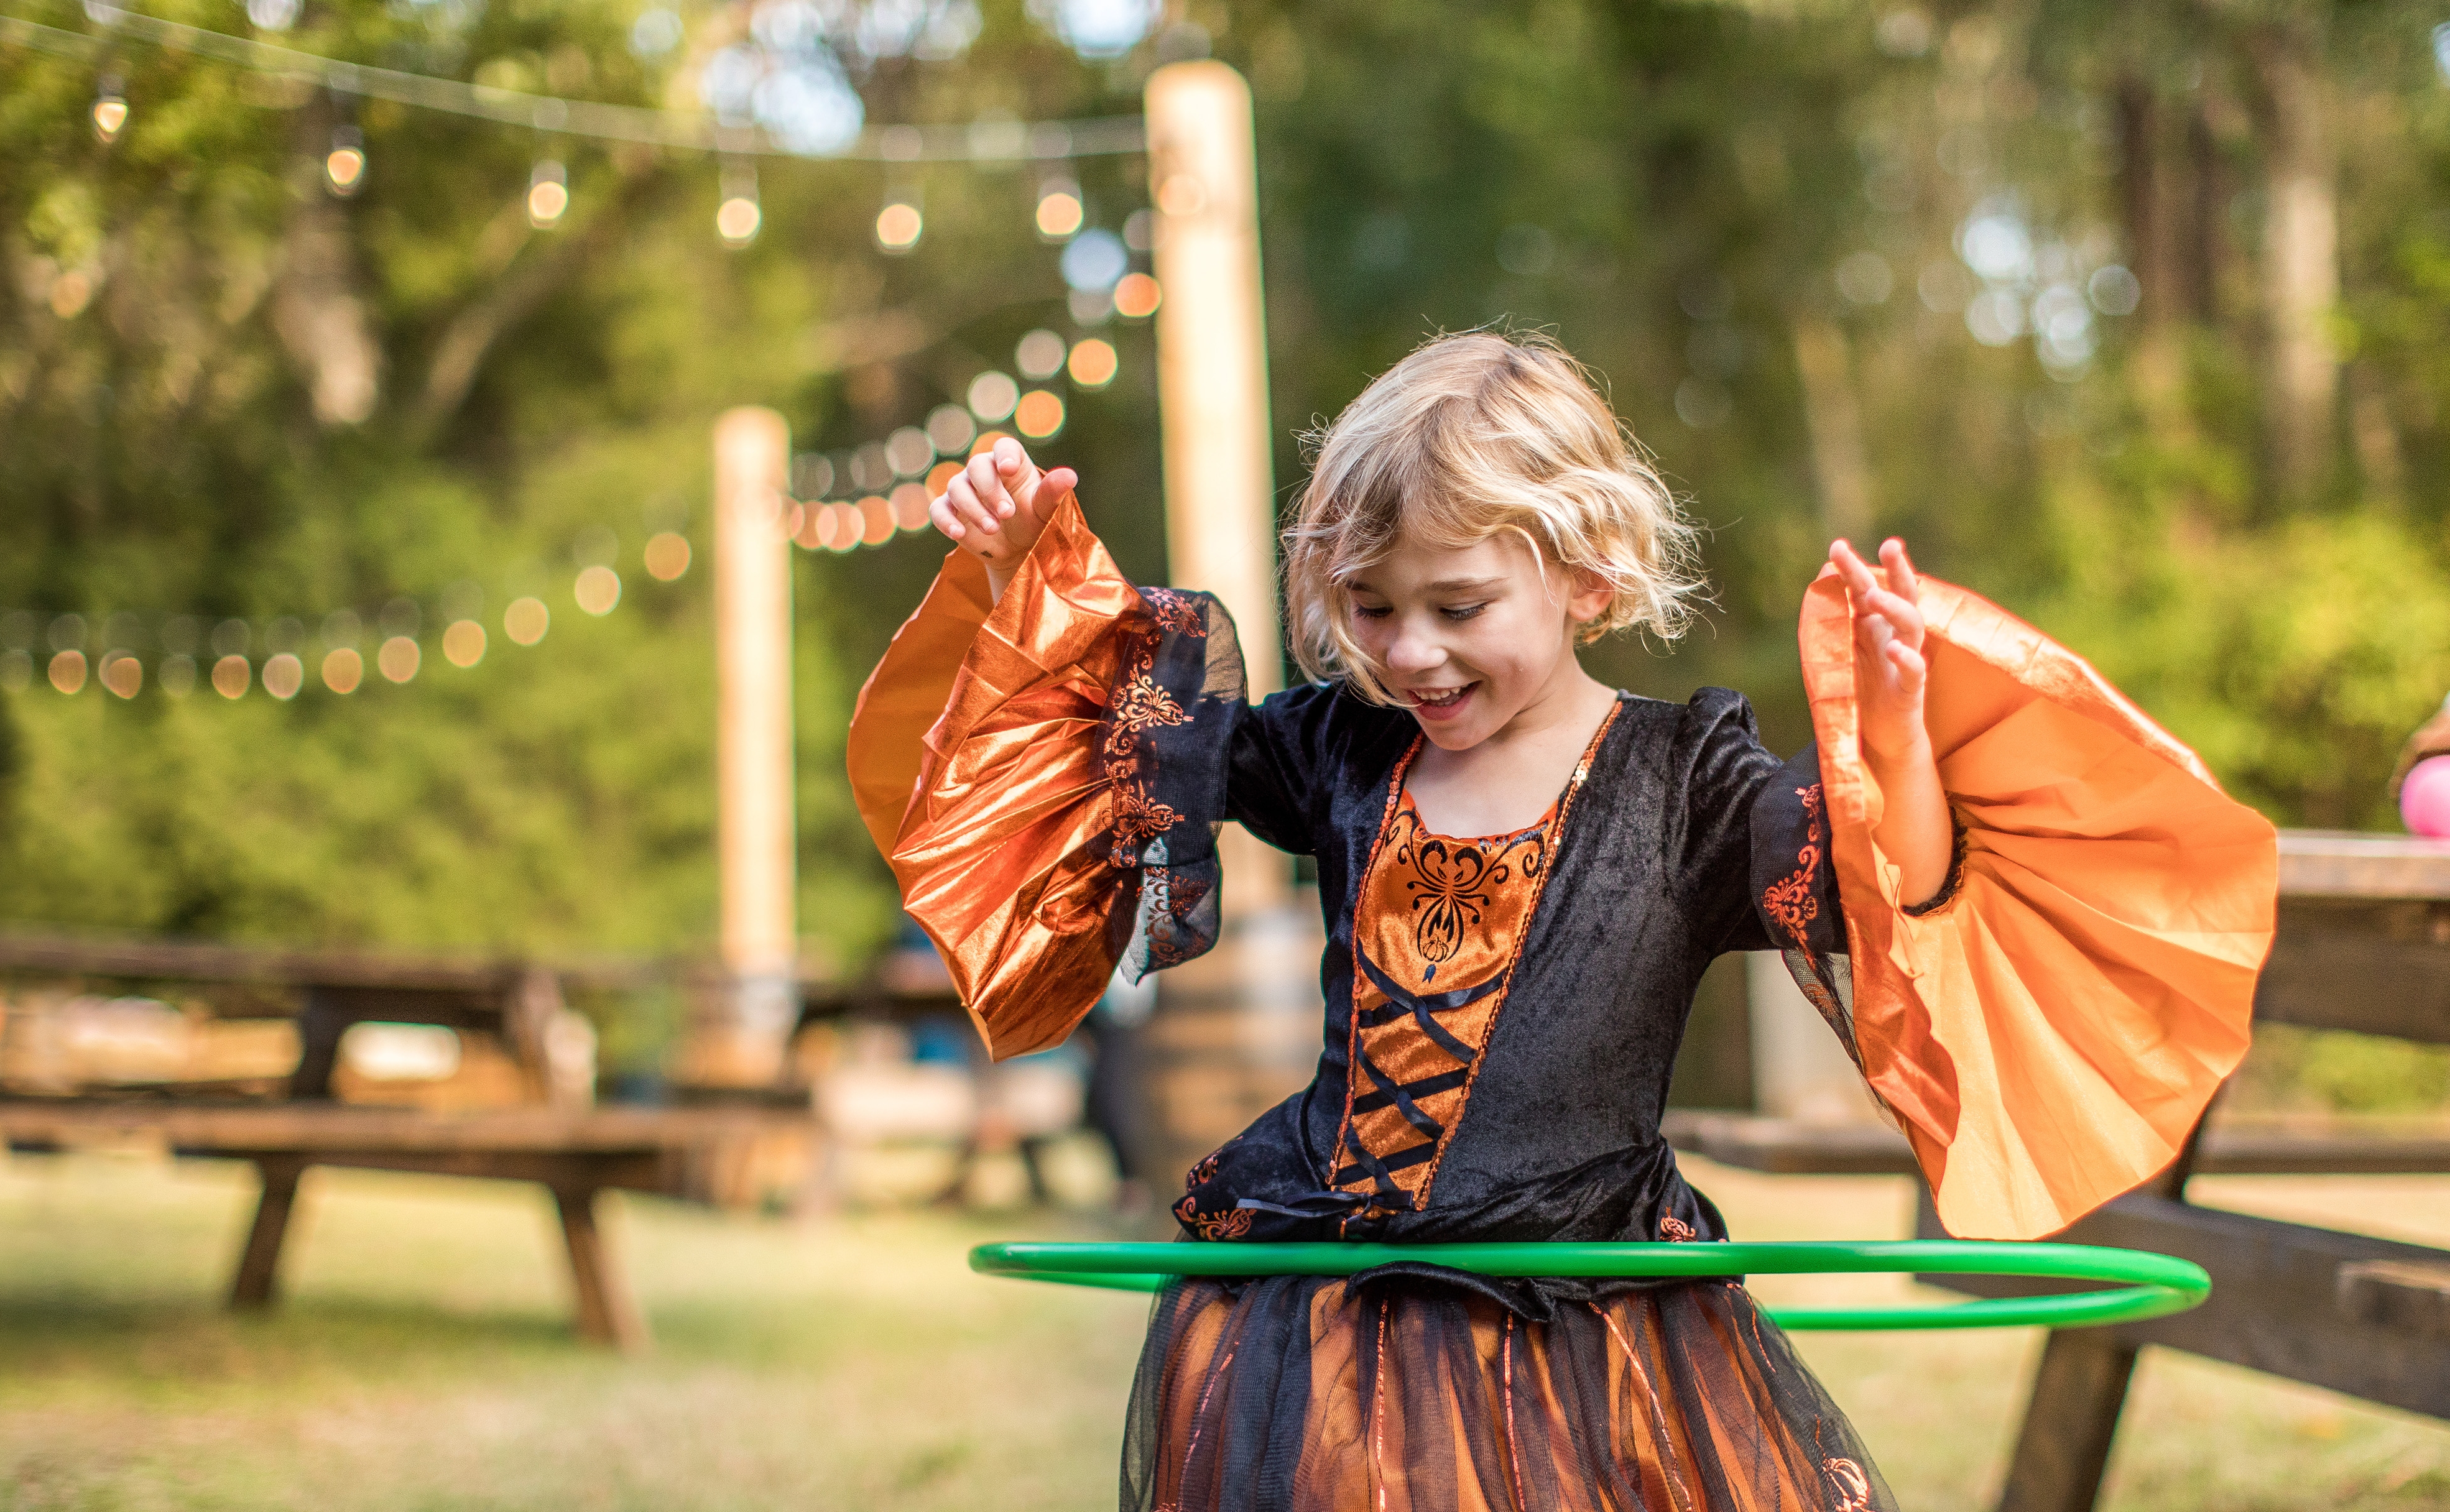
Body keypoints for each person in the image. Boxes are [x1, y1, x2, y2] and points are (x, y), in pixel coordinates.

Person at [846, 331, 2278, 1512]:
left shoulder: (1686, 780)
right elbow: (1125, 740)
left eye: (1457, 602)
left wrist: (1897, 740)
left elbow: (1883, 888)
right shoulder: (1346, 746)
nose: (1410, 648)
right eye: (1371, 605)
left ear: (1588, 573)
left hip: (1588, 1321)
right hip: (1339, 1319)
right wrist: (1030, 566)